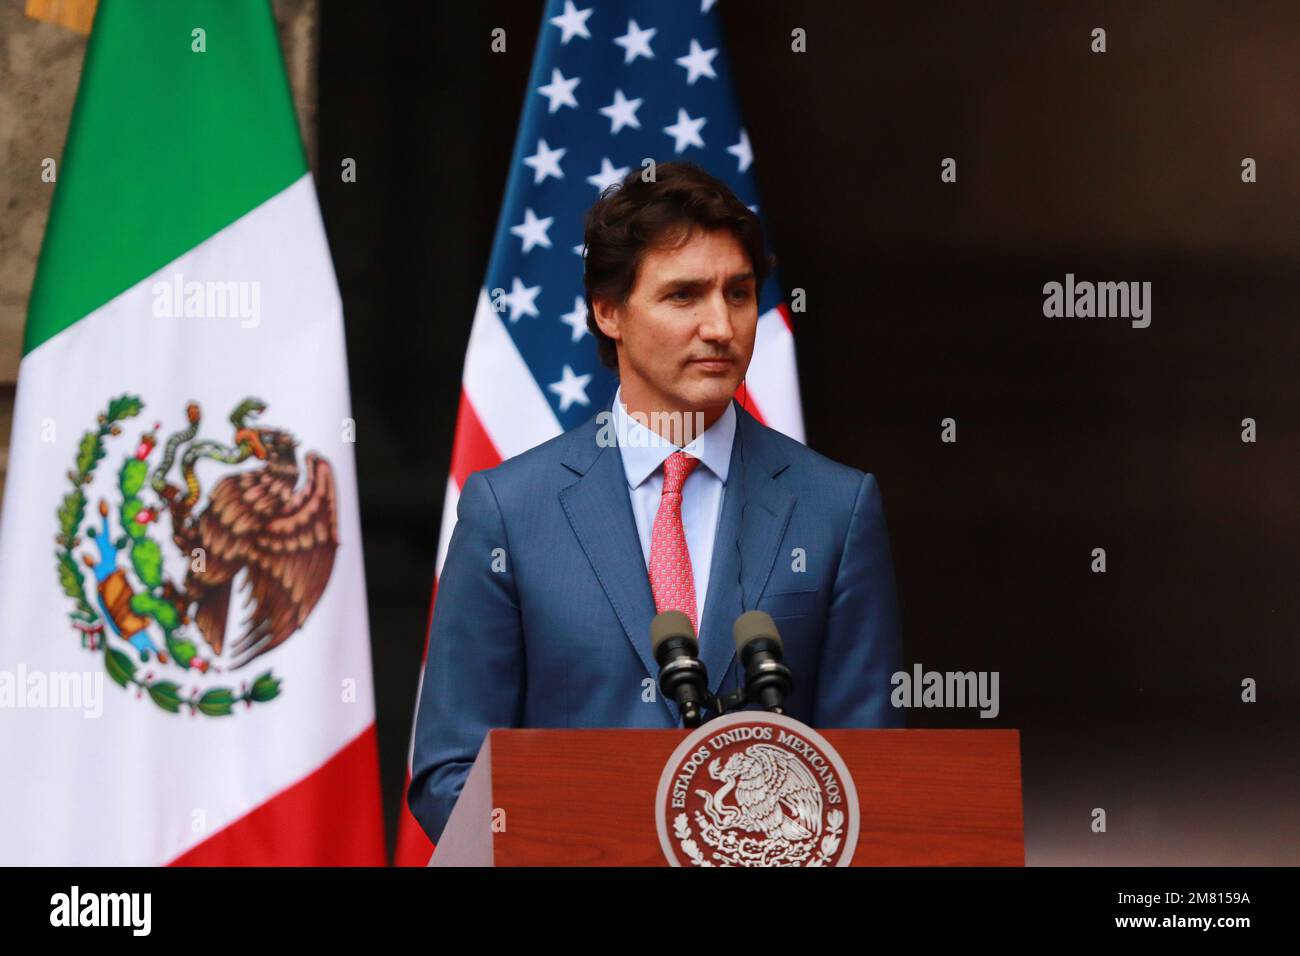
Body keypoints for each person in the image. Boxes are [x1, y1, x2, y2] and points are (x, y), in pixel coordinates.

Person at [409, 163, 902, 843]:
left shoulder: (837, 508)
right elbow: (450, 773)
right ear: (608, 312)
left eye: (738, 294)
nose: (721, 326)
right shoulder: (508, 510)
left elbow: (869, 771)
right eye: (684, 296)